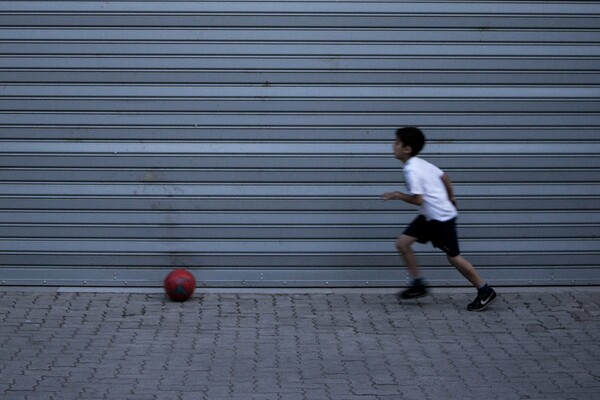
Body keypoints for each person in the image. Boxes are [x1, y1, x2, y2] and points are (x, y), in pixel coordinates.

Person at [382, 127, 497, 311]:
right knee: (402, 244)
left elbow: (418, 199)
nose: (392, 146)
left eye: (397, 143)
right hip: (429, 216)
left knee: (454, 257)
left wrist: (397, 195)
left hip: (439, 219)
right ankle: (418, 284)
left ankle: (485, 290)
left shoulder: (412, 170)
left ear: (407, 149)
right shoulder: (420, 163)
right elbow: (445, 177)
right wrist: (452, 197)